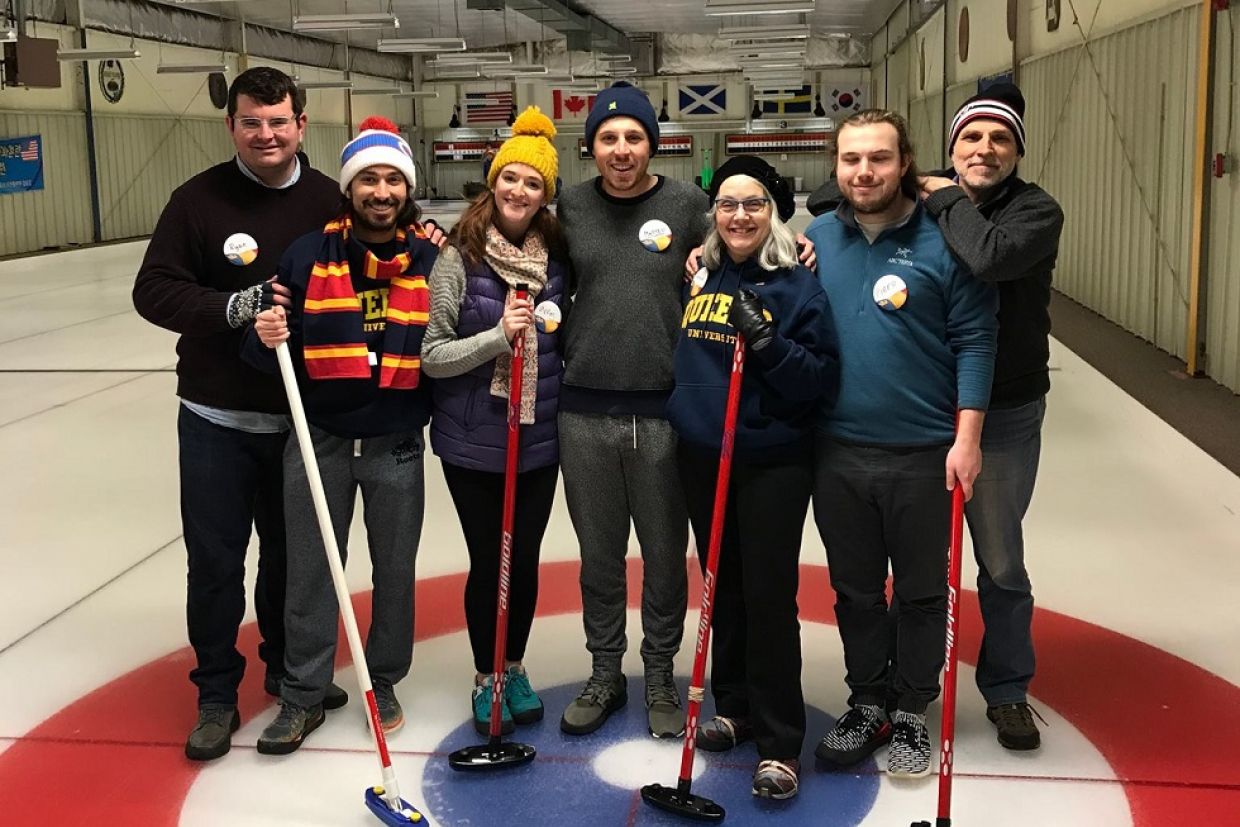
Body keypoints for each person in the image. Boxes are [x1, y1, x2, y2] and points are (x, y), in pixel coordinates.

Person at [132, 66, 347, 762]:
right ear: (231, 126)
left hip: (298, 421)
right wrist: (233, 307)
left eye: (278, 121)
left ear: (301, 125)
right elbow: (153, 289)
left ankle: (289, 671)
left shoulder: (329, 200)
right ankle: (217, 694)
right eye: (251, 122)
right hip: (216, 419)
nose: (265, 134)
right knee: (216, 563)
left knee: (291, 560)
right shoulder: (197, 201)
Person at [803, 109, 998, 778]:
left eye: (879, 158)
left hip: (924, 453)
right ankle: (867, 701)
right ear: (836, 165)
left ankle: (912, 707)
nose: (864, 172)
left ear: (905, 162)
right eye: (851, 158)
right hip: (836, 450)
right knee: (854, 590)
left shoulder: (945, 241)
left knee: (920, 591)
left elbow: (976, 340)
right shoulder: (816, 240)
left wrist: (967, 439)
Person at [244, 117, 437, 755]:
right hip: (319, 437)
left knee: (395, 570)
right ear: (349, 188)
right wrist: (264, 335)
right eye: (368, 180)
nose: (381, 192)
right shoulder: (306, 255)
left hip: (395, 441)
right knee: (311, 569)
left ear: (406, 189)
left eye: (392, 180)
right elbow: (267, 351)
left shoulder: (431, 258)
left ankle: (384, 681)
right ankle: (303, 693)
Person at [667, 156, 837, 800]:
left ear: (774, 212)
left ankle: (779, 740)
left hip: (770, 458)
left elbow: (817, 379)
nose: (739, 216)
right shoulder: (704, 274)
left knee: (767, 596)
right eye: (728, 204)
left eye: (753, 204)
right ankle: (735, 707)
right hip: (704, 454)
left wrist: (767, 342)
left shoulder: (798, 286)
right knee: (725, 589)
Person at [554, 82, 710, 739]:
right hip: (583, 410)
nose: (621, 150)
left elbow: (741, 248)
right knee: (599, 555)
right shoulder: (569, 207)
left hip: (665, 410)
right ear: (591, 146)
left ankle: (661, 672)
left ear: (653, 144)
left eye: (634, 137)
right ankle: (605, 672)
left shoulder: (688, 204)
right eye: (608, 138)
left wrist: (792, 245)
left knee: (665, 554)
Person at [918, 83, 1064, 751]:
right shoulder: (921, 197)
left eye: (999, 138)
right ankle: (910, 683)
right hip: (923, 404)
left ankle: (1006, 687)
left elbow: (989, 256)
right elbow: (843, 200)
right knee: (918, 556)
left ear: (1017, 152)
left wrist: (942, 194)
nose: (984, 148)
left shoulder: (1034, 211)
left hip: (1004, 410)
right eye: (971, 137)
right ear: (951, 146)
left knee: (1000, 559)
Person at [422, 107, 567, 736]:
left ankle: (515, 666)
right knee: (490, 560)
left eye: (533, 183)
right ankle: (487, 676)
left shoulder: (556, 256)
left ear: (545, 194)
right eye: (511, 177)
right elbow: (433, 355)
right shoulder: (458, 256)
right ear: (493, 181)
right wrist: (495, 339)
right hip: (473, 440)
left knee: (524, 559)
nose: (519, 191)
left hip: (538, 435)